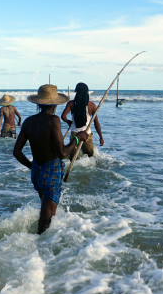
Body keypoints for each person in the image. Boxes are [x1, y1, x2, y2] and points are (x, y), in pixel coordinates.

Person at [14, 84, 89, 234]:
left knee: (47, 212)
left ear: (39, 103)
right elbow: (62, 153)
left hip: (37, 171)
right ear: (55, 103)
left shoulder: (28, 122)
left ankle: (43, 246)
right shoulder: (53, 120)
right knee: (47, 220)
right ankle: (39, 249)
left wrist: (33, 167)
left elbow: (17, 152)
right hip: (51, 170)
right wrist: (77, 138)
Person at [61, 82, 103, 156]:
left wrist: (68, 122)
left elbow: (63, 116)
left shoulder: (71, 103)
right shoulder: (92, 105)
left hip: (75, 133)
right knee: (90, 156)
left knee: (72, 156)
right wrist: (101, 137)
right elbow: (96, 123)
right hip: (86, 134)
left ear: (76, 92)